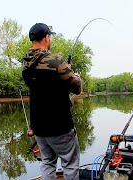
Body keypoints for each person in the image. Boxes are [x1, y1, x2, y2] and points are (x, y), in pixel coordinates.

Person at [22, 23, 82, 180]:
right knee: (70, 163)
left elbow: (45, 85)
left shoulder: (25, 65)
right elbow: (76, 88)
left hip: (39, 127)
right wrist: (75, 76)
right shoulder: (55, 61)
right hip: (60, 125)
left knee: (48, 162)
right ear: (47, 38)